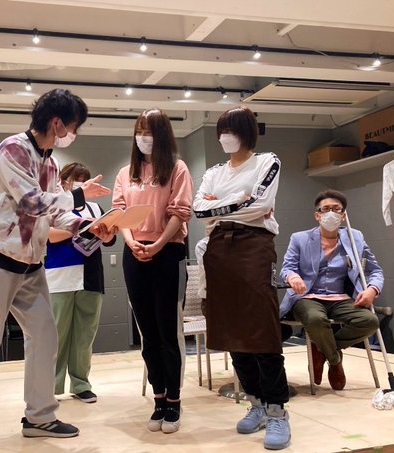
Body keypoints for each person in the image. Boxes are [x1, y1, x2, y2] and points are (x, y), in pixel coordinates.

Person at [0, 89, 111, 451]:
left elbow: (55, 213)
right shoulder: (12, 149)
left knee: (45, 336)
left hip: (30, 264)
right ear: (57, 122)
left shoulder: (51, 164)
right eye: (73, 126)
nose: (74, 133)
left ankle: (40, 416)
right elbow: (32, 202)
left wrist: (88, 226)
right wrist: (80, 196)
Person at [193, 106, 290, 450]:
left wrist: (220, 206)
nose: (225, 137)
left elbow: (261, 205)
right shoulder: (214, 172)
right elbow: (198, 210)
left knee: (261, 329)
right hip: (218, 248)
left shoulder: (267, 162)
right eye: (221, 130)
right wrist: (237, 200)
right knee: (231, 330)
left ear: (247, 132)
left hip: (254, 245)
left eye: (231, 130)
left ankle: (277, 410)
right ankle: (256, 403)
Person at [112, 108, 193, 434]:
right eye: (139, 130)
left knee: (167, 332)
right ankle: (158, 397)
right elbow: (119, 212)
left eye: (149, 131)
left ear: (161, 135)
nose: (143, 137)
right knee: (147, 332)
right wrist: (131, 241)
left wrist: (158, 244)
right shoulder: (126, 172)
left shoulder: (177, 168)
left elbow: (180, 212)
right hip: (134, 253)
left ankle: (174, 400)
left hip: (167, 251)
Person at [279, 189, 383, 390]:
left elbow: (375, 270)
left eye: (337, 209)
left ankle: (321, 349)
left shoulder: (355, 237)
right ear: (317, 215)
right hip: (307, 297)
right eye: (326, 209)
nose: (331, 213)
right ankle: (335, 361)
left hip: (341, 298)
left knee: (370, 321)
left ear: (344, 215)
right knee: (315, 319)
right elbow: (287, 268)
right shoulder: (300, 238)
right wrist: (293, 277)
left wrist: (372, 289)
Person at [46, 162, 117, 403]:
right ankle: (51, 386)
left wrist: (108, 232)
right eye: (75, 179)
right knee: (56, 334)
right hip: (59, 276)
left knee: (85, 334)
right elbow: (49, 236)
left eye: (84, 180)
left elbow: (108, 239)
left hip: (91, 276)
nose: (79, 183)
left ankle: (80, 383)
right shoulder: (55, 204)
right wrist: (84, 228)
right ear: (63, 181)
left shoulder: (95, 208)